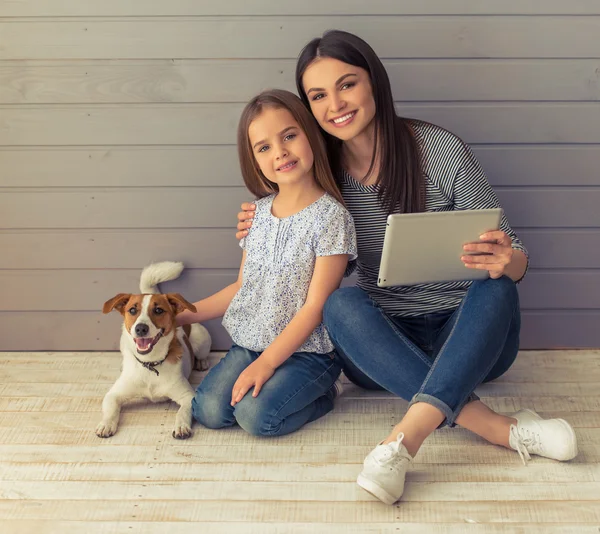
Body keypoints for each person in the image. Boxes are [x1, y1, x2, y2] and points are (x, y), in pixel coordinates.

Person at [235, 30, 578, 504]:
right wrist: (262, 218)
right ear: (308, 108)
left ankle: (405, 439)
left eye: (347, 84)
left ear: (374, 82)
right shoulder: (318, 174)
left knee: (497, 287)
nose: (335, 104)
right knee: (340, 304)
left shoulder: (440, 150)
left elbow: (516, 257)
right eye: (318, 95)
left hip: (470, 339)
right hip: (382, 348)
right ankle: (501, 428)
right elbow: (286, 222)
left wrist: (509, 259)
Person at [178, 89, 357, 438]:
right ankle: (270, 380)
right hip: (252, 343)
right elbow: (243, 287)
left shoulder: (332, 218)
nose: (281, 152)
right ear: (255, 160)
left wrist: (267, 365)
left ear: (310, 134)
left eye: (289, 136)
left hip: (308, 353)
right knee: (209, 411)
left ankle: (323, 394)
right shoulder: (257, 214)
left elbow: (315, 308)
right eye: (264, 147)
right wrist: (184, 313)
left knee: (257, 418)